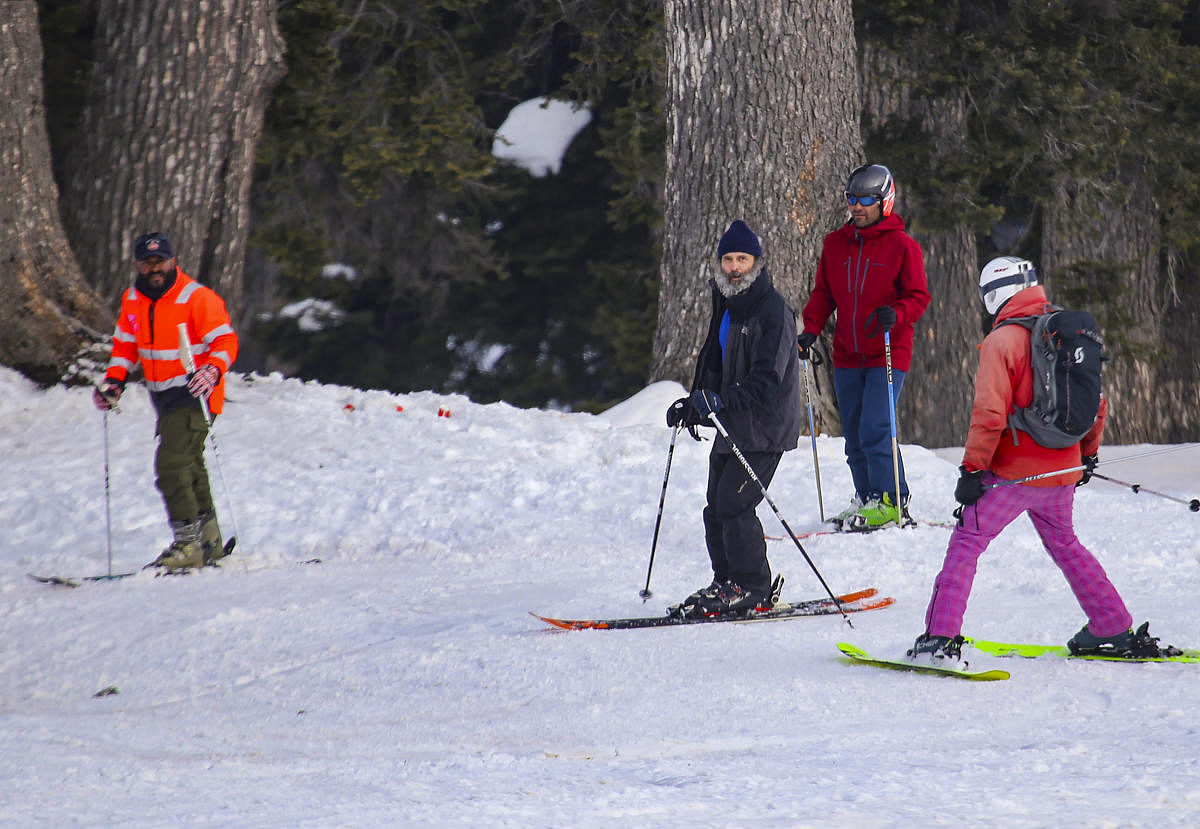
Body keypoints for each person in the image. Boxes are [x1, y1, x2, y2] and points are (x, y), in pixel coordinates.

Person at [909, 256, 1161, 660]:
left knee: (967, 543)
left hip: (1013, 474)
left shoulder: (1002, 341)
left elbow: (990, 415)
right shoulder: (1067, 333)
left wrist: (972, 469)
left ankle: (940, 637)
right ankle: (1112, 626)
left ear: (995, 294)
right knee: (1066, 544)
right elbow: (1096, 403)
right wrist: (1087, 455)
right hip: (1062, 468)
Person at [665, 220, 803, 616]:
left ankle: (754, 587)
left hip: (765, 427)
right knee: (715, 506)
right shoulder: (726, 305)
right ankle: (727, 583)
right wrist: (695, 404)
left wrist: (719, 403)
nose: (734, 267)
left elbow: (767, 379)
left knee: (735, 504)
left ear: (757, 263)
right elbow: (717, 368)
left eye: (741, 258)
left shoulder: (772, 311)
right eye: (728, 259)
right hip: (733, 426)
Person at [92, 232, 239, 571]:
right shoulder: (133, 299)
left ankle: (187, 545)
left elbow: (225, 341)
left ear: (173, 261)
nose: (154, 268)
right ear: (138, 265)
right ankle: (209, 540)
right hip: (162, 395)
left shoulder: (196, 297)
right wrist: (115, 382)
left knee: (171, 466)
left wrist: (213, 371)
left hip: (195, 393)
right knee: (189, 464)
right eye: (148, 262)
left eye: (160, 261)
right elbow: (126, 345)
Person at [799, 163, 930, 529]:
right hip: (847, 354)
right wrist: (811, 328)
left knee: (876, 425)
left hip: (887, 349)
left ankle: (891, 500)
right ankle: (868, 496)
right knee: (854, 431)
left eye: (865, 201)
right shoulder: (835, 244)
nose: (856, 207)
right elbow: (824, 293)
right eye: (851, 199)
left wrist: (898, 313)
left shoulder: (903, 246)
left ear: (884, 201)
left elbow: (918, 296)